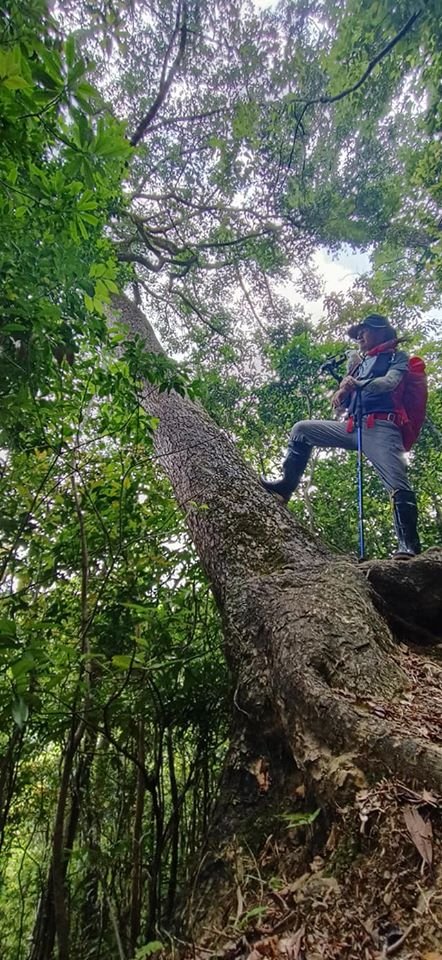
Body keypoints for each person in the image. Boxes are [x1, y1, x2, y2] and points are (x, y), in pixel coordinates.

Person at [260, 314, 421, 558]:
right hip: (352, 427)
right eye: (358, 332)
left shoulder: (396, 357)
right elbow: (347, 399)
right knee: (301, 430)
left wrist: (357, 383)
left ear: (380, 332)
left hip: (382, 428)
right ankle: (285, 488)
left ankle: (408, 545)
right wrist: (343, 392)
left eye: (364, 331)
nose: (359, 336)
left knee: (397, 483)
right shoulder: (359, 362)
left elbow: (389, 383)